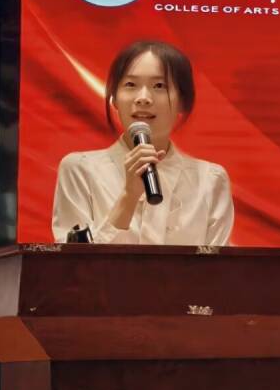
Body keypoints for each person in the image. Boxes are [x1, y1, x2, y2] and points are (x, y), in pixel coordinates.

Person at [51, 40, 234, 245]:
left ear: (183, 100)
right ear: (114, 98)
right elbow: (71, 260)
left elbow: (218, 263)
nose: (143, 98)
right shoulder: (80, 170)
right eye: (130, 85)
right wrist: (129, 197)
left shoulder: (210, 180)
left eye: (159, 86)